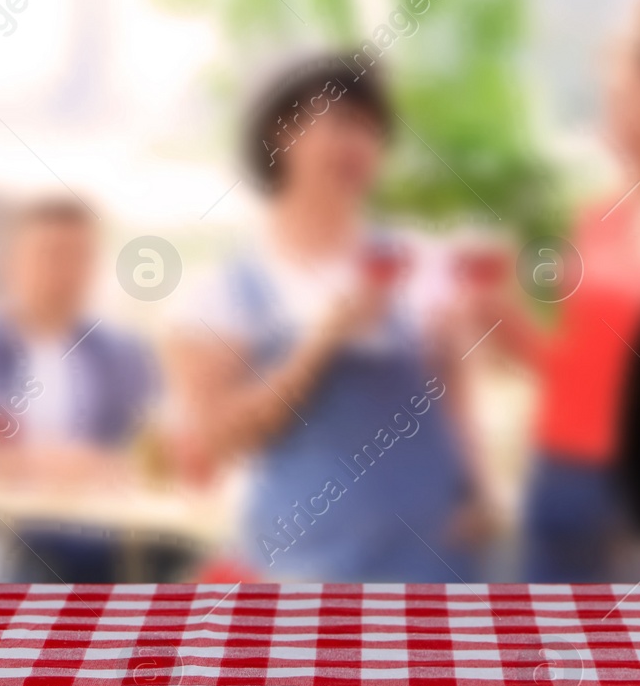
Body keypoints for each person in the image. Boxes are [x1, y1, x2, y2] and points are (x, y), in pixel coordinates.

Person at [169, 56, 491, 583]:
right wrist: (322, 342)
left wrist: (477, 494)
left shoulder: (418, 264)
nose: (358, 144)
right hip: (304, 569)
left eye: (371, 129)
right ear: (281, 135)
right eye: (340, 123)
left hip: (438, 563)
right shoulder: (222, 295)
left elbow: (452, 396)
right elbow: (217, 441)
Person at [470, 16, 640, 582]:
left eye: (623, 99)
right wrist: (501, 322)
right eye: (606, 100)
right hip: (562, 483)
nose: (608, 119)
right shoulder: (594, 219)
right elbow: (566, 367)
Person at [0, 198, 165, 582]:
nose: (65, 272)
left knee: (180, 563)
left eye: (79, 258)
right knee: (38, 569)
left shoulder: (119, 354)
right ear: (11, 264)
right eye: (51, 256)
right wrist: (15, 462)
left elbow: (158, 440)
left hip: (100, 533)